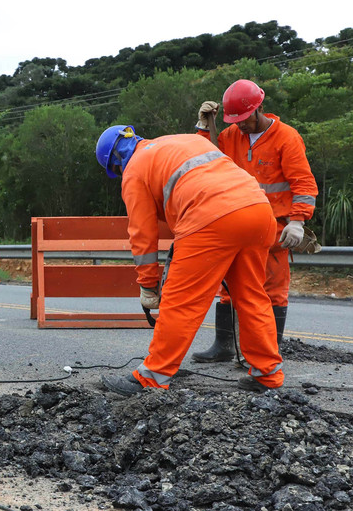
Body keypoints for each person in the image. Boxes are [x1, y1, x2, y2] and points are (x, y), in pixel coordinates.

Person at [95, 125, 283, 395]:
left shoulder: (135, 169)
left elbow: (142, 235)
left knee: (180, 302)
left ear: (116, 162)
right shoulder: (179, 140)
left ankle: (153, 376)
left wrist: (148, 285)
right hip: (258, 211)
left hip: (211, 217)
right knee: (252, 295)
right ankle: (268, 374)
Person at [191, 80, 318, 363]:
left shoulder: (286, 137)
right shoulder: (230, 136)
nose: (241, 125)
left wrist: (297, 221)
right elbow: (201, 158)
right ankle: (224, 346)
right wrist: (203, 126)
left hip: (274, 228)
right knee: (229, 287)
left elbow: (304, 183)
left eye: (244, 119)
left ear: (258, 108)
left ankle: (267, 355)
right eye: (234, 120)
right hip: (236, 223)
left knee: (272, 290)